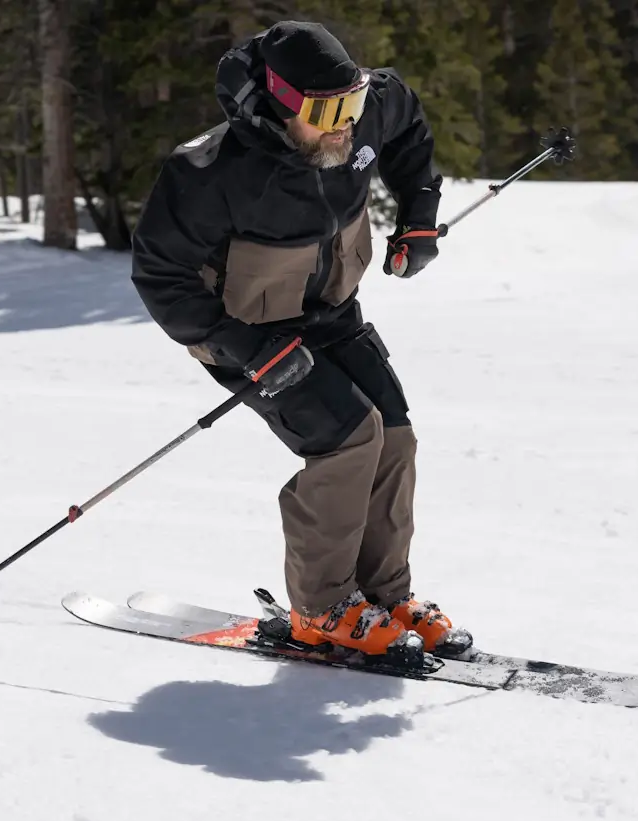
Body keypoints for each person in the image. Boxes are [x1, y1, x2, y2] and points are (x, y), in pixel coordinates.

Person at [130, 20, 470, 664]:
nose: (346, 122)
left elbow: (408, 127)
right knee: (347, 439)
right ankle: (321, 610)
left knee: (394, 432)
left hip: (331, 311)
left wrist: (419, 218)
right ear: (281, 103)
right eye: (327, 111)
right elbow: (159, 275)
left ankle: (382, 594)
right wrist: (244, 347)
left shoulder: (365, 112)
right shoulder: (208, 170)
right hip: (246, 332)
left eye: (353, 102)